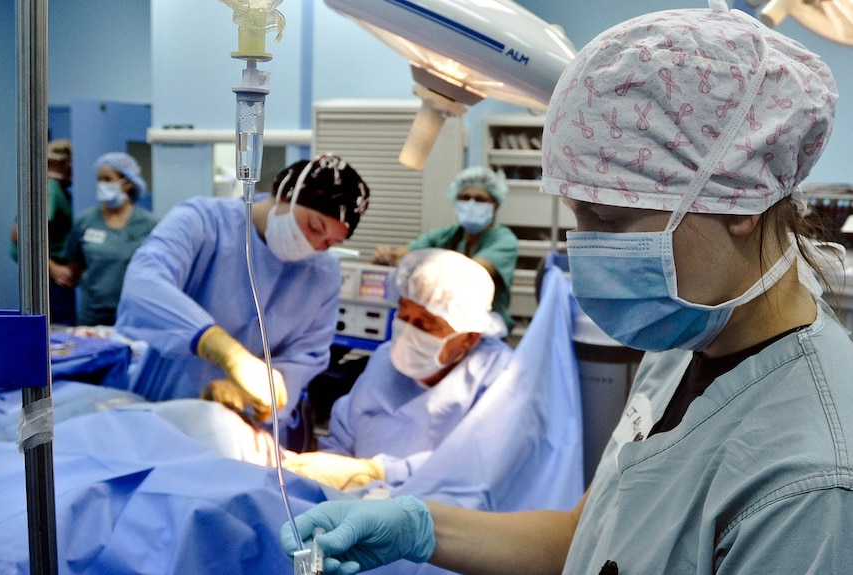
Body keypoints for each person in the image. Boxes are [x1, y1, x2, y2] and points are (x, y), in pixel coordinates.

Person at [280, 2, 853, 574]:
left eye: (608, 219)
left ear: (739, 203)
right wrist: (419, 527)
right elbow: (587, 539)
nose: (587, 248)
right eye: (578, 215)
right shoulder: (685, 345)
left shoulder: (810, 487)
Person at [115, 155, 370, 425]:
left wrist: (257, 394)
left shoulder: (323, 272)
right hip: (165, 405)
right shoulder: (203, 221)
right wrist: (219, 347)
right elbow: (144, 284)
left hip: (245, 427)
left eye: (329, 242)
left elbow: (306, 355)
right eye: (314, 227)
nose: (315, 245)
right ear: (285, 194)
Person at [283, 248, 512, 490]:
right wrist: (333, 476)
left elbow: (475, 463)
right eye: (403, 314)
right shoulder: (384, 361)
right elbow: (343, 437)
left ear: (469, 338)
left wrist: (377, 473)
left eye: (425, 324)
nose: (408, 332)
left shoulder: (498, 379)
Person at [372, 166, 518, 333]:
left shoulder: (504, 240)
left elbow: (472, 273)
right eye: (465, 197)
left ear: (495, 205)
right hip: (443, 324)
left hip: (485, 327)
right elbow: (405, 255)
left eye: (480, 199)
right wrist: (388, 257)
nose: (471, 204)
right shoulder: (446, 235)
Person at [65, 152, 158, 326]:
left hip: (133, 313)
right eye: (99, 179)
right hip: (92, 314)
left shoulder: (149, 224)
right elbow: (74, 266)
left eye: (108, 179)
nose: (101, 184)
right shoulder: (85, 221)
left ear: (128, 183)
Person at [9, 139, 77, 325]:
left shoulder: (55, 190)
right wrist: (53, 268)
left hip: (51, 275)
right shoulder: (50, 189)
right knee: (57, 330)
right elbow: (19, 234)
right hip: (51, 277)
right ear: (64, 164)